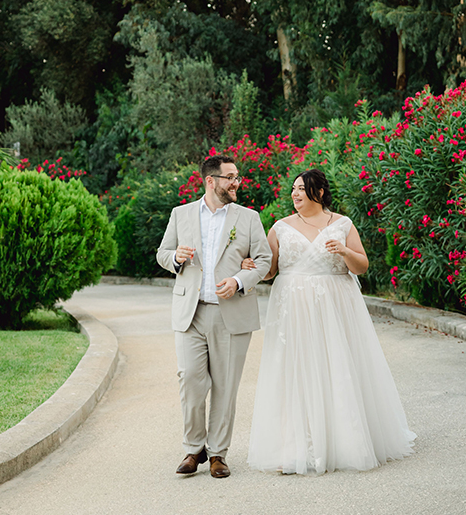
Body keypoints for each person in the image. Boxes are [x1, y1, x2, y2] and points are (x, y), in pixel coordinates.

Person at [243, 168, 416, 475]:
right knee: (296, 370)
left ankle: (345, 442)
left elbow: (361, 266)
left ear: (319, 192)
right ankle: (295, 448)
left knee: (338, 366)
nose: (294, 194)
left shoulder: (342, 224)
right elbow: (269, 271)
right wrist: (251, 266)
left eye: (301, 188)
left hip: (336, 306)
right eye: (293, 189)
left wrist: (345, 250)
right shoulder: (280, 228)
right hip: (293, 309)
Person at [157, 154, 272, 479]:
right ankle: (195, 448)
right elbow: (162, 252)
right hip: (190, 314)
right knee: (190, 381)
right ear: (211, 181)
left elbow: (264, 259)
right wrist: (175, 258)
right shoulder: (180, 214)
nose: (237, 182)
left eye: (237, 177)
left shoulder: (249, 217)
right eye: (230, 177)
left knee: (225, 387)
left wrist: (238, 281)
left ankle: (219, 453)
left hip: (231, 315)